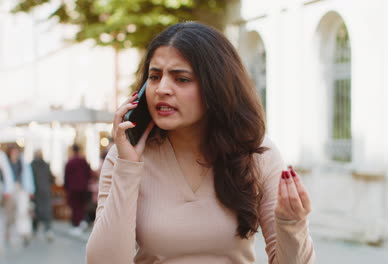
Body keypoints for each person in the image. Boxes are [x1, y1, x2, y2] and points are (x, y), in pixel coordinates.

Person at [86, 22, 315, 263]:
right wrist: (128, 167)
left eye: (181, 79)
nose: (162, 88)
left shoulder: (257, 154)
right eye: (154, 76)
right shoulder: (124, 157)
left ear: (215, 86)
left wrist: (291, 224)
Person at [3, 144, 35, 247]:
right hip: (9, 191)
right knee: (10, 214)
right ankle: (7, 232)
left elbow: (28, 176)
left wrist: (30, 190)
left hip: (22, 189)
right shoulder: (5, 162)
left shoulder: (22, 162)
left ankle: (25, 233)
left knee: (23, 211)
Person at [64, 144, 91, 236]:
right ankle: (81, 222)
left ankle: (77, 225)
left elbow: (66, 176)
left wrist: (66, 187)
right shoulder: (83, 161)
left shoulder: (70, 162)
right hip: (83, 187)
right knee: (81, 206)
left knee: (75, 207)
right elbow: (88, 173)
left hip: (73, 188)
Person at [30, 150, 54, 242]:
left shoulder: (32, 165)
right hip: (45, 191)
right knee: (46, 210)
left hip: (37, 191)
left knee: (36, 210)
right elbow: (51, 178)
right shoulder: (46, 165)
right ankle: (47, 230)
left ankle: (35, 230)